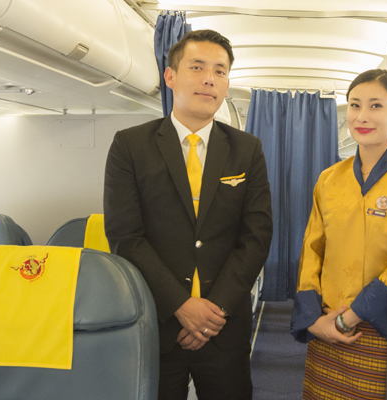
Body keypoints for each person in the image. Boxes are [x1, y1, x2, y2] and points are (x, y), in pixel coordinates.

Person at [104, 29, 272, 400]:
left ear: (226, 84)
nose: (210, 78)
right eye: (197, 67)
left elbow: (256, 236)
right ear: (170, 76)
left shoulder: (246, 149)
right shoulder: (130, 145)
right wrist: (180, 306)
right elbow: (125, 236)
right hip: (158, 322)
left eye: (220, 71)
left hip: (223, 325)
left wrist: (214, 312)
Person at [290, 69, 387, 399]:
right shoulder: (329, 179)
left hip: (377, 327)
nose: (361, 116)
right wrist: (314, 319)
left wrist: (352, 316)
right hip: (326, 322)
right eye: (355, 105)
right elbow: (312, 249)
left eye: (375, 106)